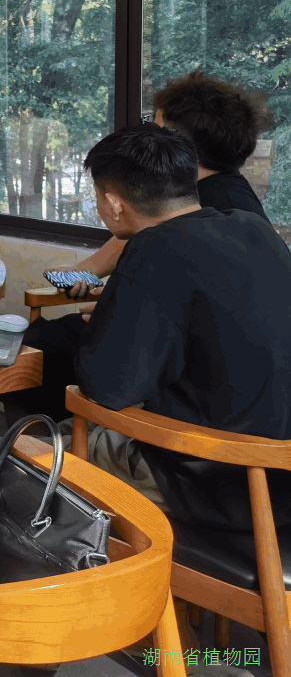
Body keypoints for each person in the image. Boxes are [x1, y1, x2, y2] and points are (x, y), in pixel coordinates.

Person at [6, 72, 276, 424]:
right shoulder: (248, 223)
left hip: (201, 423)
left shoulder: (172, 227)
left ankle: (40, 441)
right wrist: (104, 291)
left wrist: (121, 314)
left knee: (41, 354)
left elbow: (109, 384)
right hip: (257, 416)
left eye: (155, 127)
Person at [69, 124, 291, 535]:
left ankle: (99, 568)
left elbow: (107, 388)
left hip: (221, 478)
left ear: (114, 203)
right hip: (281, 469)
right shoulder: (254, 228)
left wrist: (107, 326)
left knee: (41, 447)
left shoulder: (153, 247)